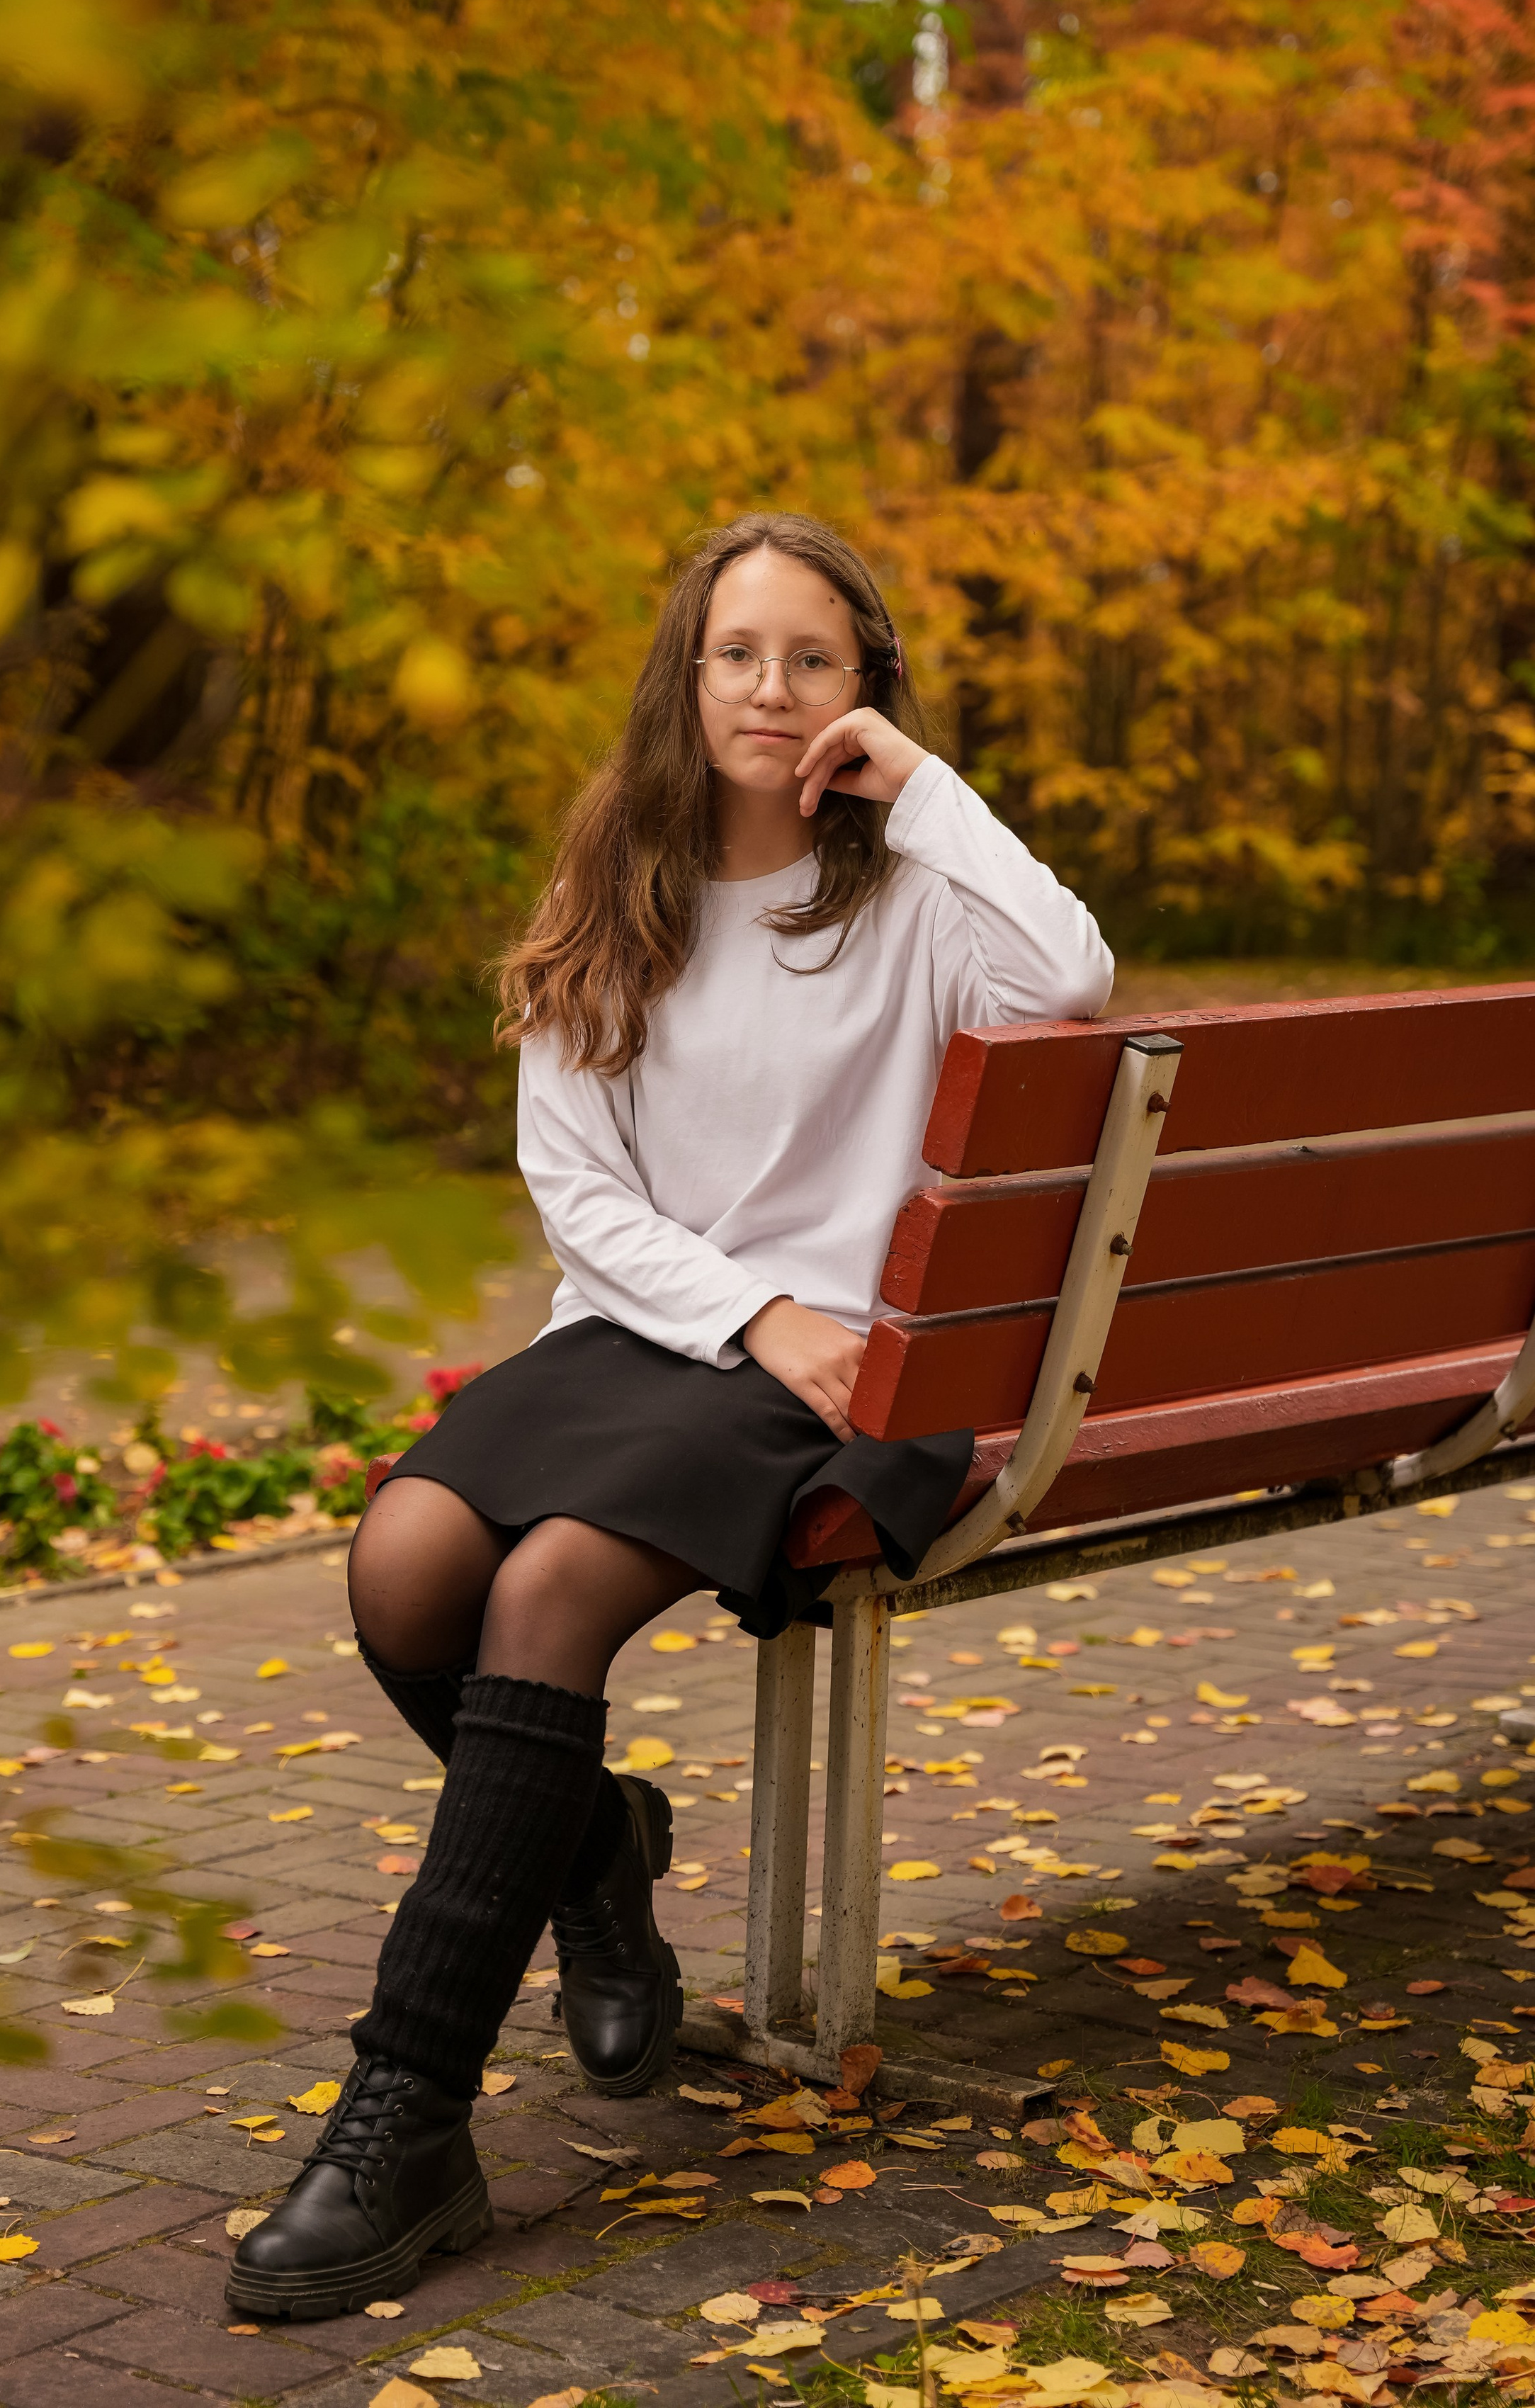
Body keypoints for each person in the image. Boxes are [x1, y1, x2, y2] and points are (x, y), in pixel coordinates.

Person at [229, 511, 1113, 2322]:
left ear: (865, 687)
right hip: (662, 1326)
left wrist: (926, 791)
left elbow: (1072, 985)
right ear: (684, 674)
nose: (771, 690)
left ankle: (404, 2123)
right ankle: (593, 1851)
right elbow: (577, 1185)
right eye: (737, 654)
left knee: (544, 1591)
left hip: (855, 1366)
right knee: (403, 1565)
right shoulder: (614, 875)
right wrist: (738, 1306)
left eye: (814, 658)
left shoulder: (916, 893)